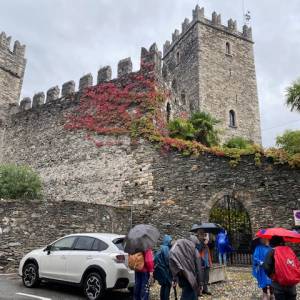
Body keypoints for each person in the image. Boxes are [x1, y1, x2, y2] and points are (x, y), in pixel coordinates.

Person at [263, 236, 300, 300]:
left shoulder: (271, 251)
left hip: (278, 284)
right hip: (291, 283)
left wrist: (271, 276)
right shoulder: (289, 250)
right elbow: (297, 264)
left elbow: (266, 267)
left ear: (272, 242)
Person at [169, 235, 203, 300]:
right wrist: (201, 283)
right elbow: (199, 268)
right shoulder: (194, 250)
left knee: (191, 294)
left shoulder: (181, 248)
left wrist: (174, 278)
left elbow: (175, 263)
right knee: (188, 294)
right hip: (190, 278)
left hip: (181, 276)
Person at [154, 235, 173, 300]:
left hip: (161, 270)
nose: (171, 242)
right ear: (167, 241)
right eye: (170, 240)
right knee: (167, 285)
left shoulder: (161, 247)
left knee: (163, 285)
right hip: (165, 271)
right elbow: (168, 261)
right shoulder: (166, 248)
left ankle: (162, 298)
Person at [196, 229, 213, 296]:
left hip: (206, 264)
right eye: (202, 235)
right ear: (199, 235)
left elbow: (208, 254)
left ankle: (205, 290)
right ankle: (198, 291)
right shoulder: (197, 243)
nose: (203, 236)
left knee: (206, 277)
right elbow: (198, 250)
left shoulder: (205, 243)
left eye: (204, 235)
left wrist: (210, 263)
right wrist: (203, 244)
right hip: (201, 263)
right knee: (200, 278)